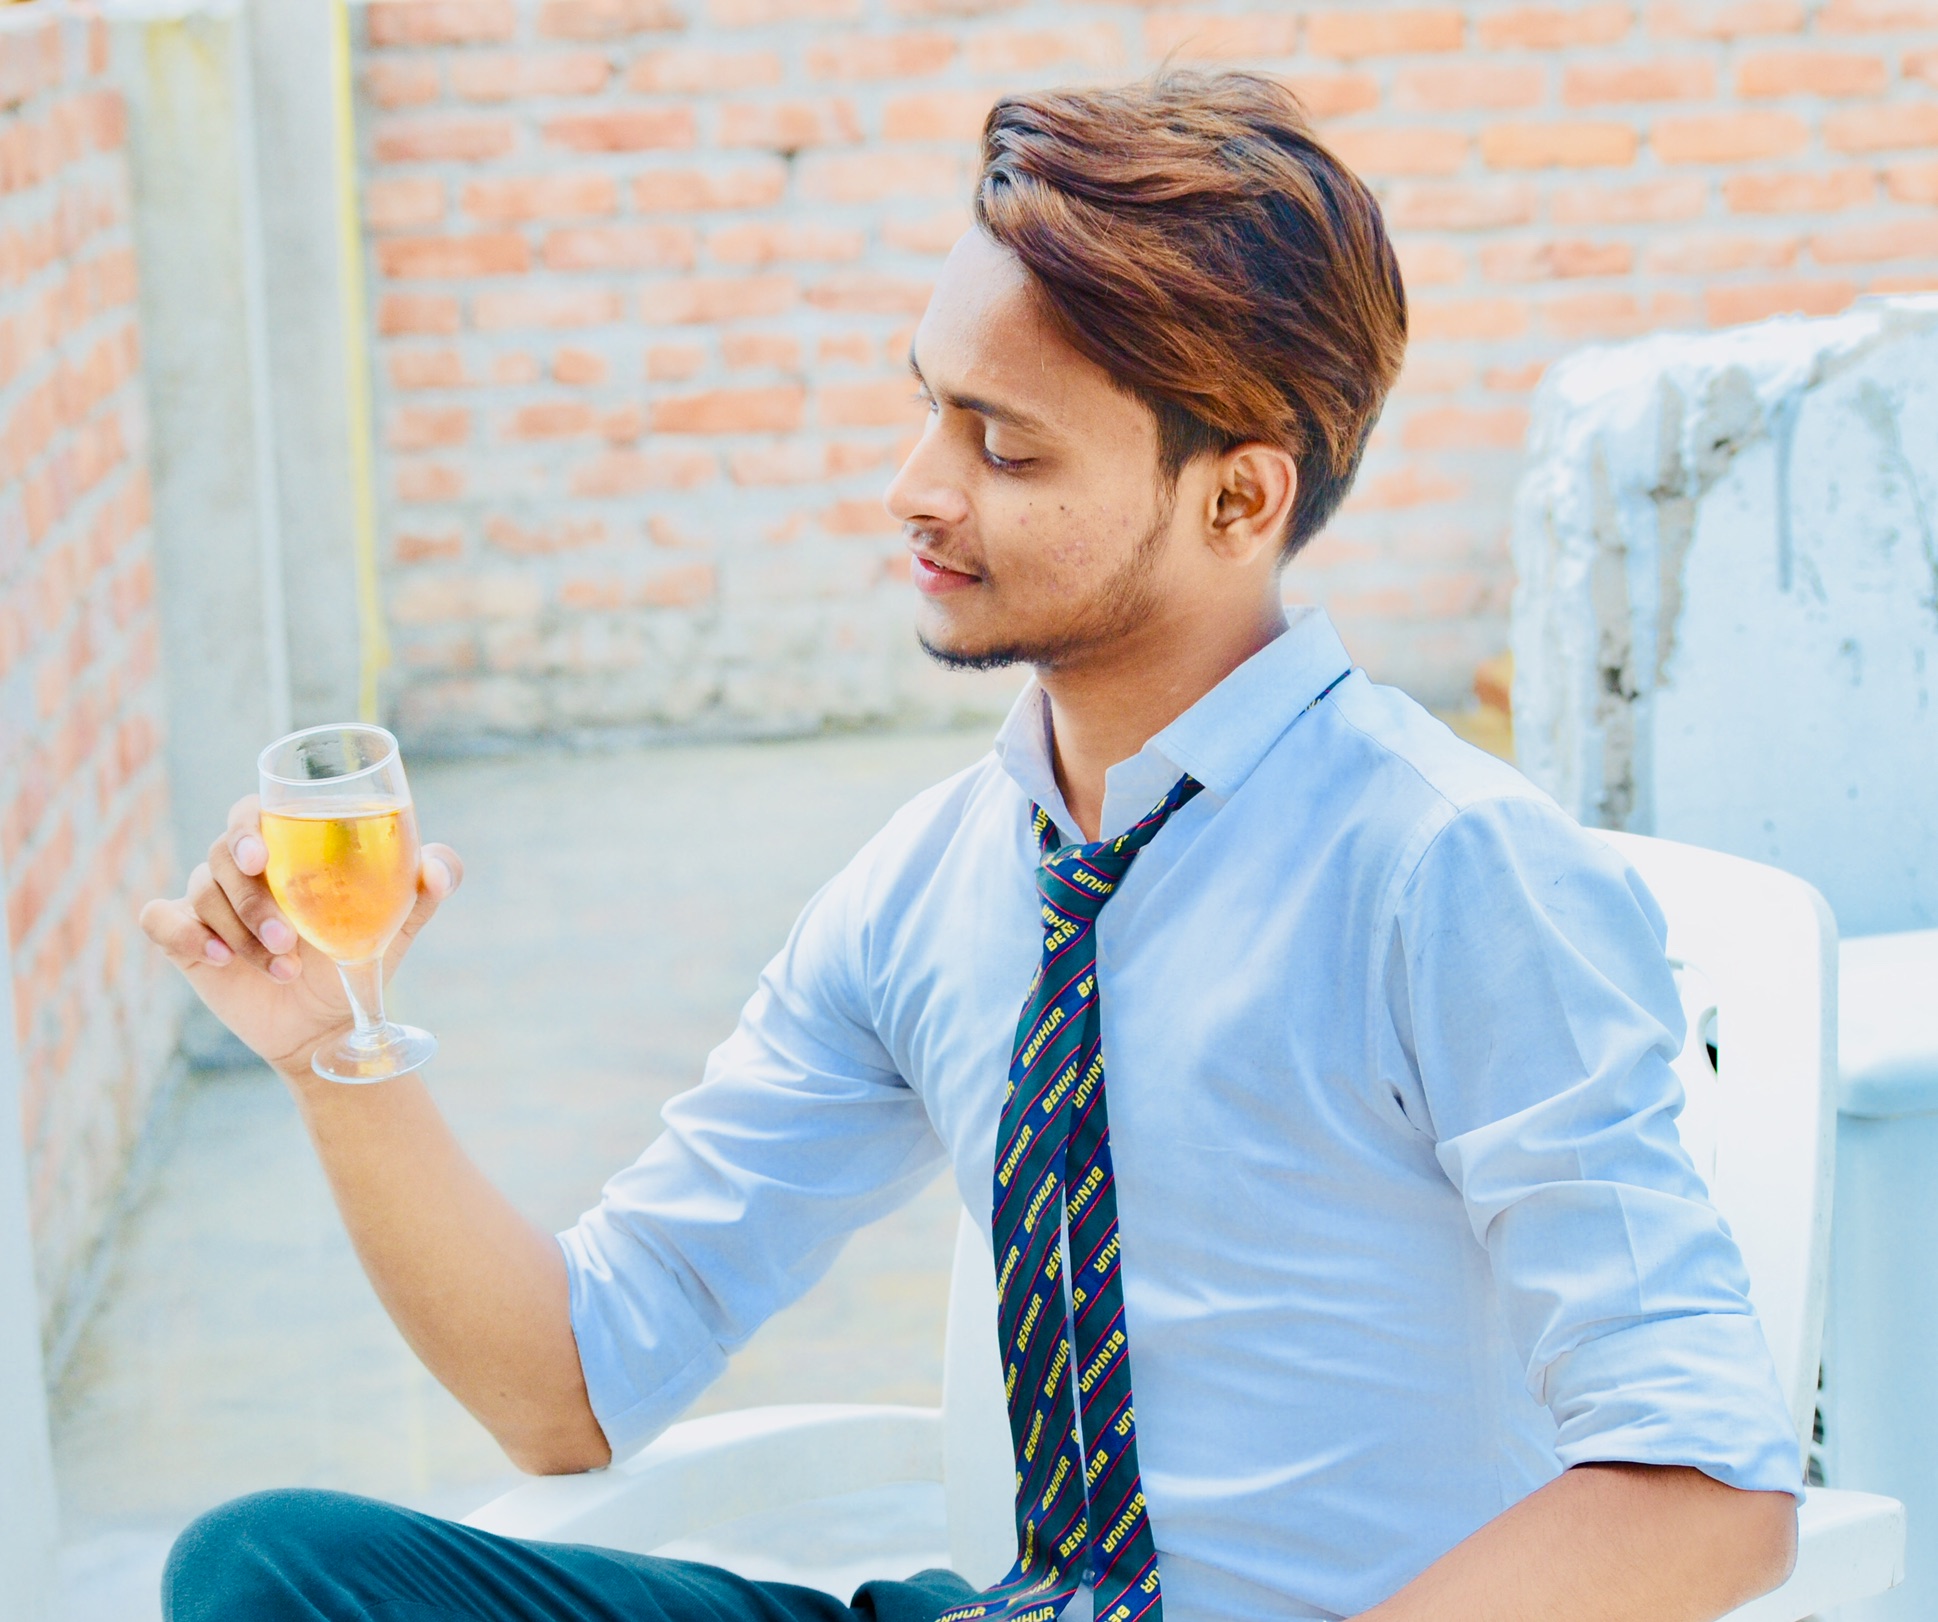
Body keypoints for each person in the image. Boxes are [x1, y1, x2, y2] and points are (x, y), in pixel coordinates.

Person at [142, 70, 1802, 1622]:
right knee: (269, 1571)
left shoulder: (1449, 872)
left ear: (1238, 499)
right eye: (930, 408)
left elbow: (1706, 1488)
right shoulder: (930, 884)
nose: (913, 487)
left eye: (1004, 447)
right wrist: (330, 1042)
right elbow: (568, 1383)